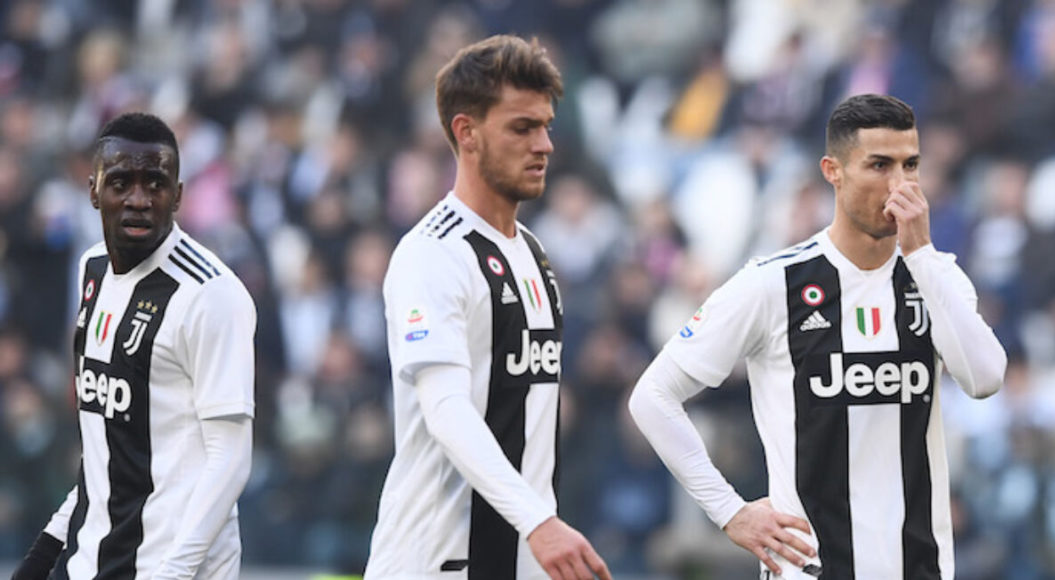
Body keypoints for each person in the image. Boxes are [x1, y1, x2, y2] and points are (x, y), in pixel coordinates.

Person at [628, 94, 1007, 579]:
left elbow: (985, 379)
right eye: (879, 165)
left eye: (910, 165)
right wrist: (729, 511)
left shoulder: (937, 277)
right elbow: (653, 397)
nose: (900, 185)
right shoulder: (773, 283)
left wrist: (922, 257)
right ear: (833, 171)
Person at [364, 35, 611, 580]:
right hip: (436, 562)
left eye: (546, 126)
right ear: (467, 133)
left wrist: (540, 527)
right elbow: (447, 409)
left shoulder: (534, 253)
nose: (544, 145)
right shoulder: (432, 253)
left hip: (522, 558)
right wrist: (539, 521)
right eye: (522, 128)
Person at [12, 113, 257, 579]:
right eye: (121, 183)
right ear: (93, 191)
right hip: (89, 562)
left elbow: (230, 458)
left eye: (155, 184)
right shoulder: (92, 271)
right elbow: (104, 452)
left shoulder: (211, 296)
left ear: (178, 196)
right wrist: (43, 553)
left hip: (171, 568)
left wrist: (173, 573)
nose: (139, 200)